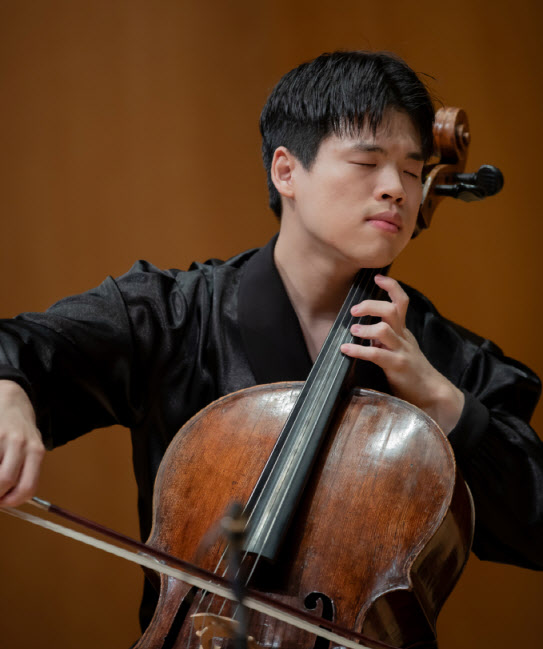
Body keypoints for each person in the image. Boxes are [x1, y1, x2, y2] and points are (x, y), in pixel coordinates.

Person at [0, 51, 541, 632]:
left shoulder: (440, 355)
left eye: (412, 171)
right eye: (367, 162)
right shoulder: (175, 316)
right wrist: (9, 395)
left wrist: (440, 400)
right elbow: (28, 346)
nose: (396, 190)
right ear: (286, 172)